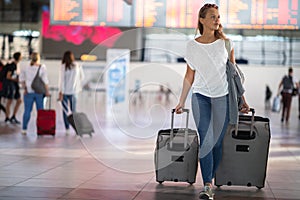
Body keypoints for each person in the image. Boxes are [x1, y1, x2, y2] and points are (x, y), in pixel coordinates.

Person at [174, 3, 249, 200]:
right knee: (206, 140)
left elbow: (234, 76)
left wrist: (243, 100)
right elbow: (189, 76)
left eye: (218, 16)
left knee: (216, 144)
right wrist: (181, 101)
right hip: (200, 97)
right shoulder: (192, 46)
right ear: (202, 20)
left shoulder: (226, 44)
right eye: (213, 16)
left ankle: (210, 178)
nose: (217, 20)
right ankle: (207, 185)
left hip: (223, 97)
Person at [19, 52, 50, 135]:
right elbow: (45, 80)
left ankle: (24, 129)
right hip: (39, 93)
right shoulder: (42, 67)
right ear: (38, 58)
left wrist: (25, 88)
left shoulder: (26, 67)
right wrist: (47, 91)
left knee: (27, 111)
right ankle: (40, 129)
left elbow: (21, 79)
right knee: (40, 112)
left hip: (28, 92)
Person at [58, 51, 84, 134]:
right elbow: (82, 77)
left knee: (65, 111)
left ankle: (67, 129)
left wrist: (60, 92)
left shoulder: (63, 66)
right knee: (73, 111)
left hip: (65, 92)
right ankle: (76, 128)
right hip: (74, 92)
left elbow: (62, 80)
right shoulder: (77, 65)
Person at [3, 52, 22, 124]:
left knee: (19, 100)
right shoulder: (12, 65)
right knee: (9, 101)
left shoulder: (16, 65)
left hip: (15, 85)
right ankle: (7, 117)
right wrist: (16, 80)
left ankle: (13, 116)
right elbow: (8, 76)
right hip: (11, 85)